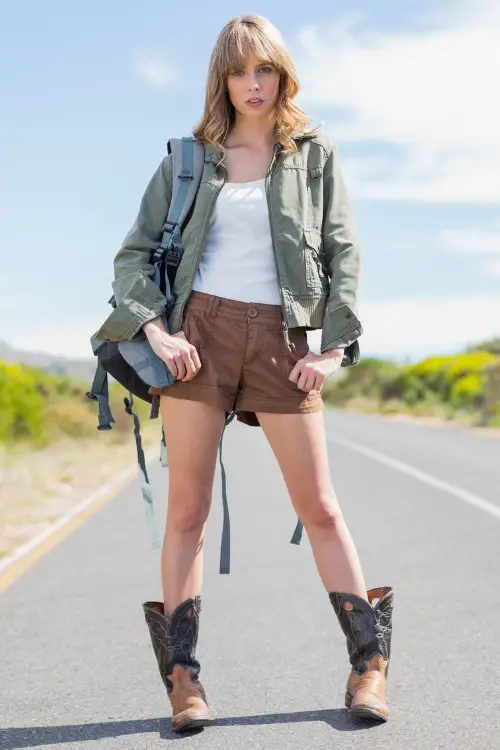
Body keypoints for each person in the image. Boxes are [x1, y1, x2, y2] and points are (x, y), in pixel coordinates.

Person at [108, 14, 394, 734]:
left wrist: (333, 346)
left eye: (264, 69)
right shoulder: (189, 158)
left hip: (281, 341)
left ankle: (369, 664)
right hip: (197, 339)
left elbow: (344, 252)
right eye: (240, 71)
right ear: (222, 79)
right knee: (187, 513)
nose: (253, 84)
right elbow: (133, 259)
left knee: (321, 508)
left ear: (282, 74)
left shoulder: (313, 155)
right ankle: (184, 682)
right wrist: (157, 331)